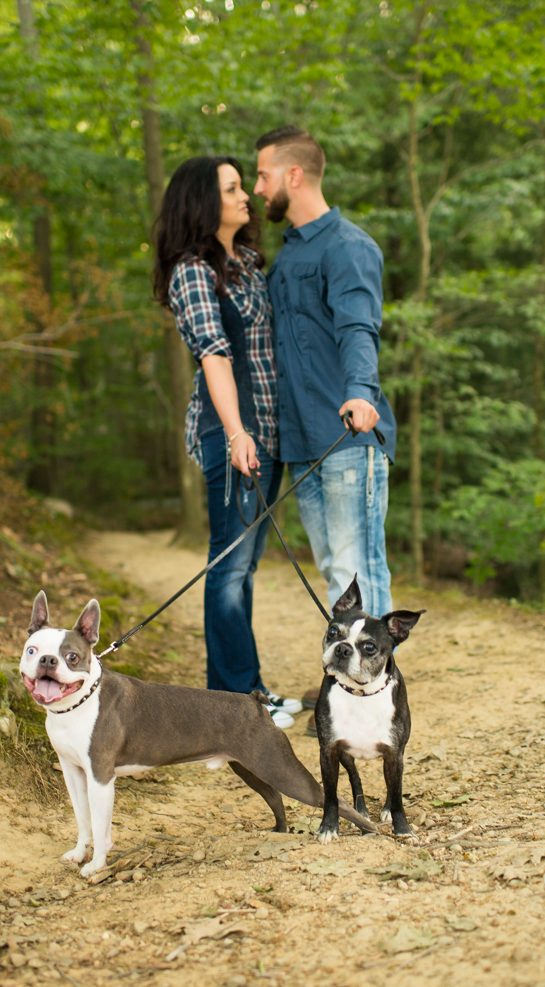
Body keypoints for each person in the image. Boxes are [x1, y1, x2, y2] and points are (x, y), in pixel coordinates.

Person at [254, 127, 397, 718]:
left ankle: (377, 697)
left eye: (263, 175)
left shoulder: (347, 246)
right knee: (337, 579)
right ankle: (351, 686)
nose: (257, 187)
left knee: (358, 570)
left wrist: (361, 393)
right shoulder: (288, 256)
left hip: (347, 436)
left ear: (293, 176)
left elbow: (358, 327)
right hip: (302, 444)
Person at [154, 156, 302, 728]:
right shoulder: (193, 271)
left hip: (266, 434)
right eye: (232, 188)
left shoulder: (247, 264)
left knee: (244, 568)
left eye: (244, 185)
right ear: (202, 202)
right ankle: (236, 705)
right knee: (229, 567)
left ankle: (246, 695)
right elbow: (214, 357)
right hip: (231, 436)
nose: (246, 196)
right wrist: (238, 433)